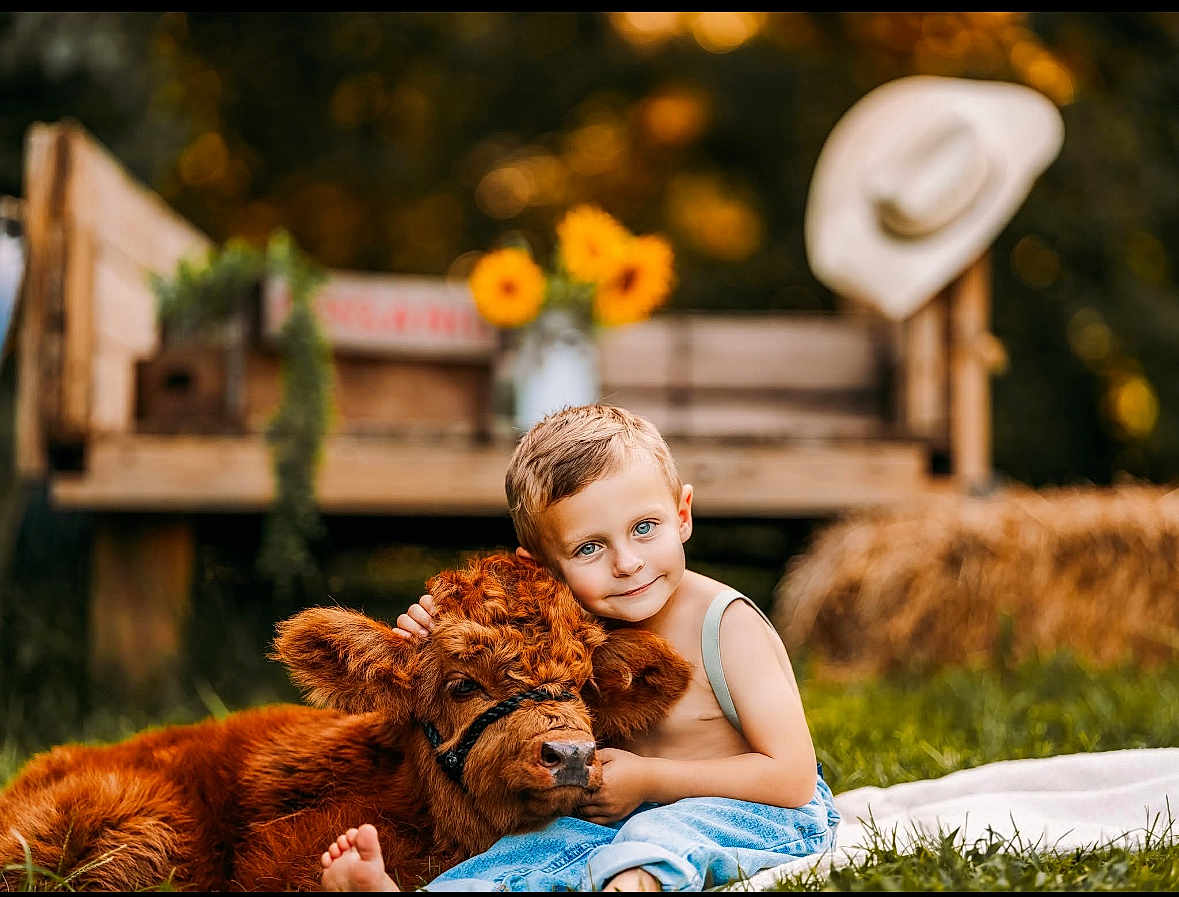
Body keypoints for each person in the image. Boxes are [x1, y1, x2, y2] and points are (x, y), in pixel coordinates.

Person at [321, 404, 839, 892]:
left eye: (644, 528)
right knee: (534, 849)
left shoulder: (726, 625)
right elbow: (483, 649)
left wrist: (652, 779)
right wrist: (425, 631)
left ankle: (636, 881)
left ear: (682, 514)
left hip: (757, 811)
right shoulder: (573, 623)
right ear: (541, 567)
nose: (627, 563)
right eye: (590, 547)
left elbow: (792, 777)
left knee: (661, 837)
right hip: (625, 809)